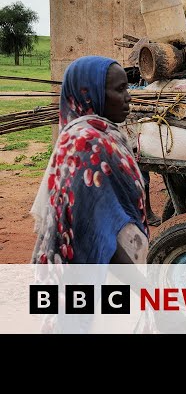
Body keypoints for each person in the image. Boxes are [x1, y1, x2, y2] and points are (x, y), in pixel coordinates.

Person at [30, 56, 149, 264]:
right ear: (88, 96)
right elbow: (99, 237)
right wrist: (145, 289)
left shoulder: (100, 134)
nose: (128, 97)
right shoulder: (86, 143)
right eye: (120, 89)